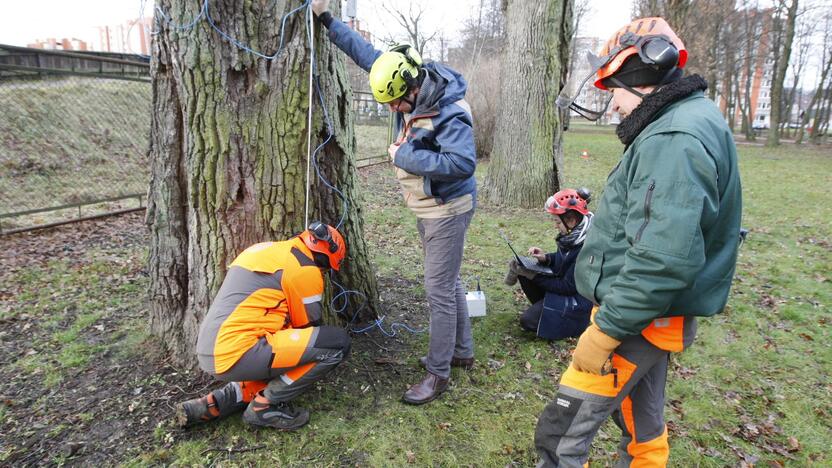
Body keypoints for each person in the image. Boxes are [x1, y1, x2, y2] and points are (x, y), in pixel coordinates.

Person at [535, 17, 742, 466]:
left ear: (640, 76)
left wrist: (605, 331)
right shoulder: (685, 119)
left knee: (560, 437)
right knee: (642, 424)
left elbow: (661, 259)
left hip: (636, 319)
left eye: (615, 91)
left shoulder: (672, 137)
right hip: (652, 314)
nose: (613, 106)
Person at [311, 0, 477, 405]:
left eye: (396, 104)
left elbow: (462, 163)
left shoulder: (450, 111)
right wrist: (329, 20)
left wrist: (403, 156)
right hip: (428, 208)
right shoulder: (404, 77)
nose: (392, 111)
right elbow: (371, 58)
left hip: (447, 211)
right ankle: (461, 351)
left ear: (414, 89)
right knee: (449, 281)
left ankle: (437, 375)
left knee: (438, 290)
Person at [177, 222, 352, 431]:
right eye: (325, 269)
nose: (323, 274)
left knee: (281, 348)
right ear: (325, 256)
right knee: (334, 344)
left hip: (211, 348)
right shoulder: (304, 269)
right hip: (240, 350)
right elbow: (308, 328)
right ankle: (264, 406)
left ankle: (215, 403)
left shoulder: (266, 249)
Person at [505, 189, 594, 341]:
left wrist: (534, 276)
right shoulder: (574, 235)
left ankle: (573, 323)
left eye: (558, 222)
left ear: (571, 220)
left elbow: (568, 287)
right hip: (566, 292)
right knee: (525, 271)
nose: (555, 225)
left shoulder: (587, 247)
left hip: (578, 305)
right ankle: (544, 308)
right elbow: (564, 259)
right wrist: (546, 258)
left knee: (528, 321)